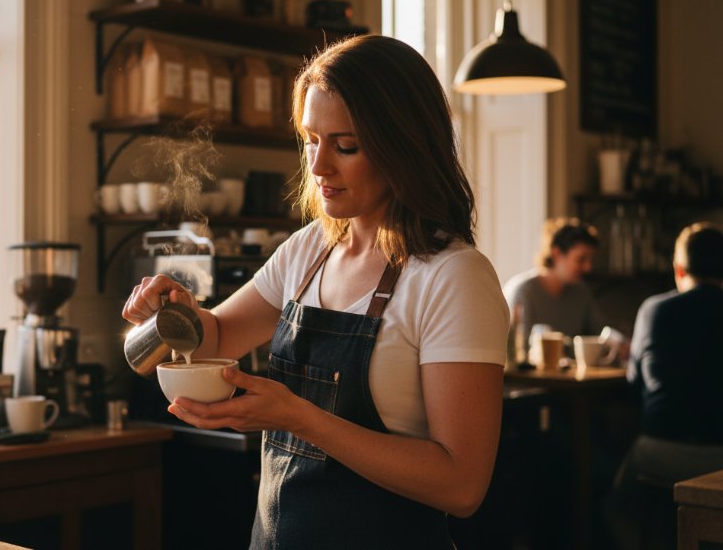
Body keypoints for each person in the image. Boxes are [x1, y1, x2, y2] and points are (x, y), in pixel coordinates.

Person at [122, 35, 509, 549]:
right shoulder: (310, 251)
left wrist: (298, 418)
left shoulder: (452, 277)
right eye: (311, 139)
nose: (319, 166)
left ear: (405, 146)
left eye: (345, 145)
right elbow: (215, 339)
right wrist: (180, 312)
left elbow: (461, 485)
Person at [607, 222, 723, 550]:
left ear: (678, 269)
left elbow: (636, 384)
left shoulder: (654, 309)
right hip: (721, 457)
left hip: (662, 450)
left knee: (617, 507)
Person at [503, 217, 605, 345]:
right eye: (581, 259)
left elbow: (600, 337)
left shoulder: (581, 292)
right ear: (556, 254)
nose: (588, 267)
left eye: (590, 260)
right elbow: (518, 349)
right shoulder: (522, 292)